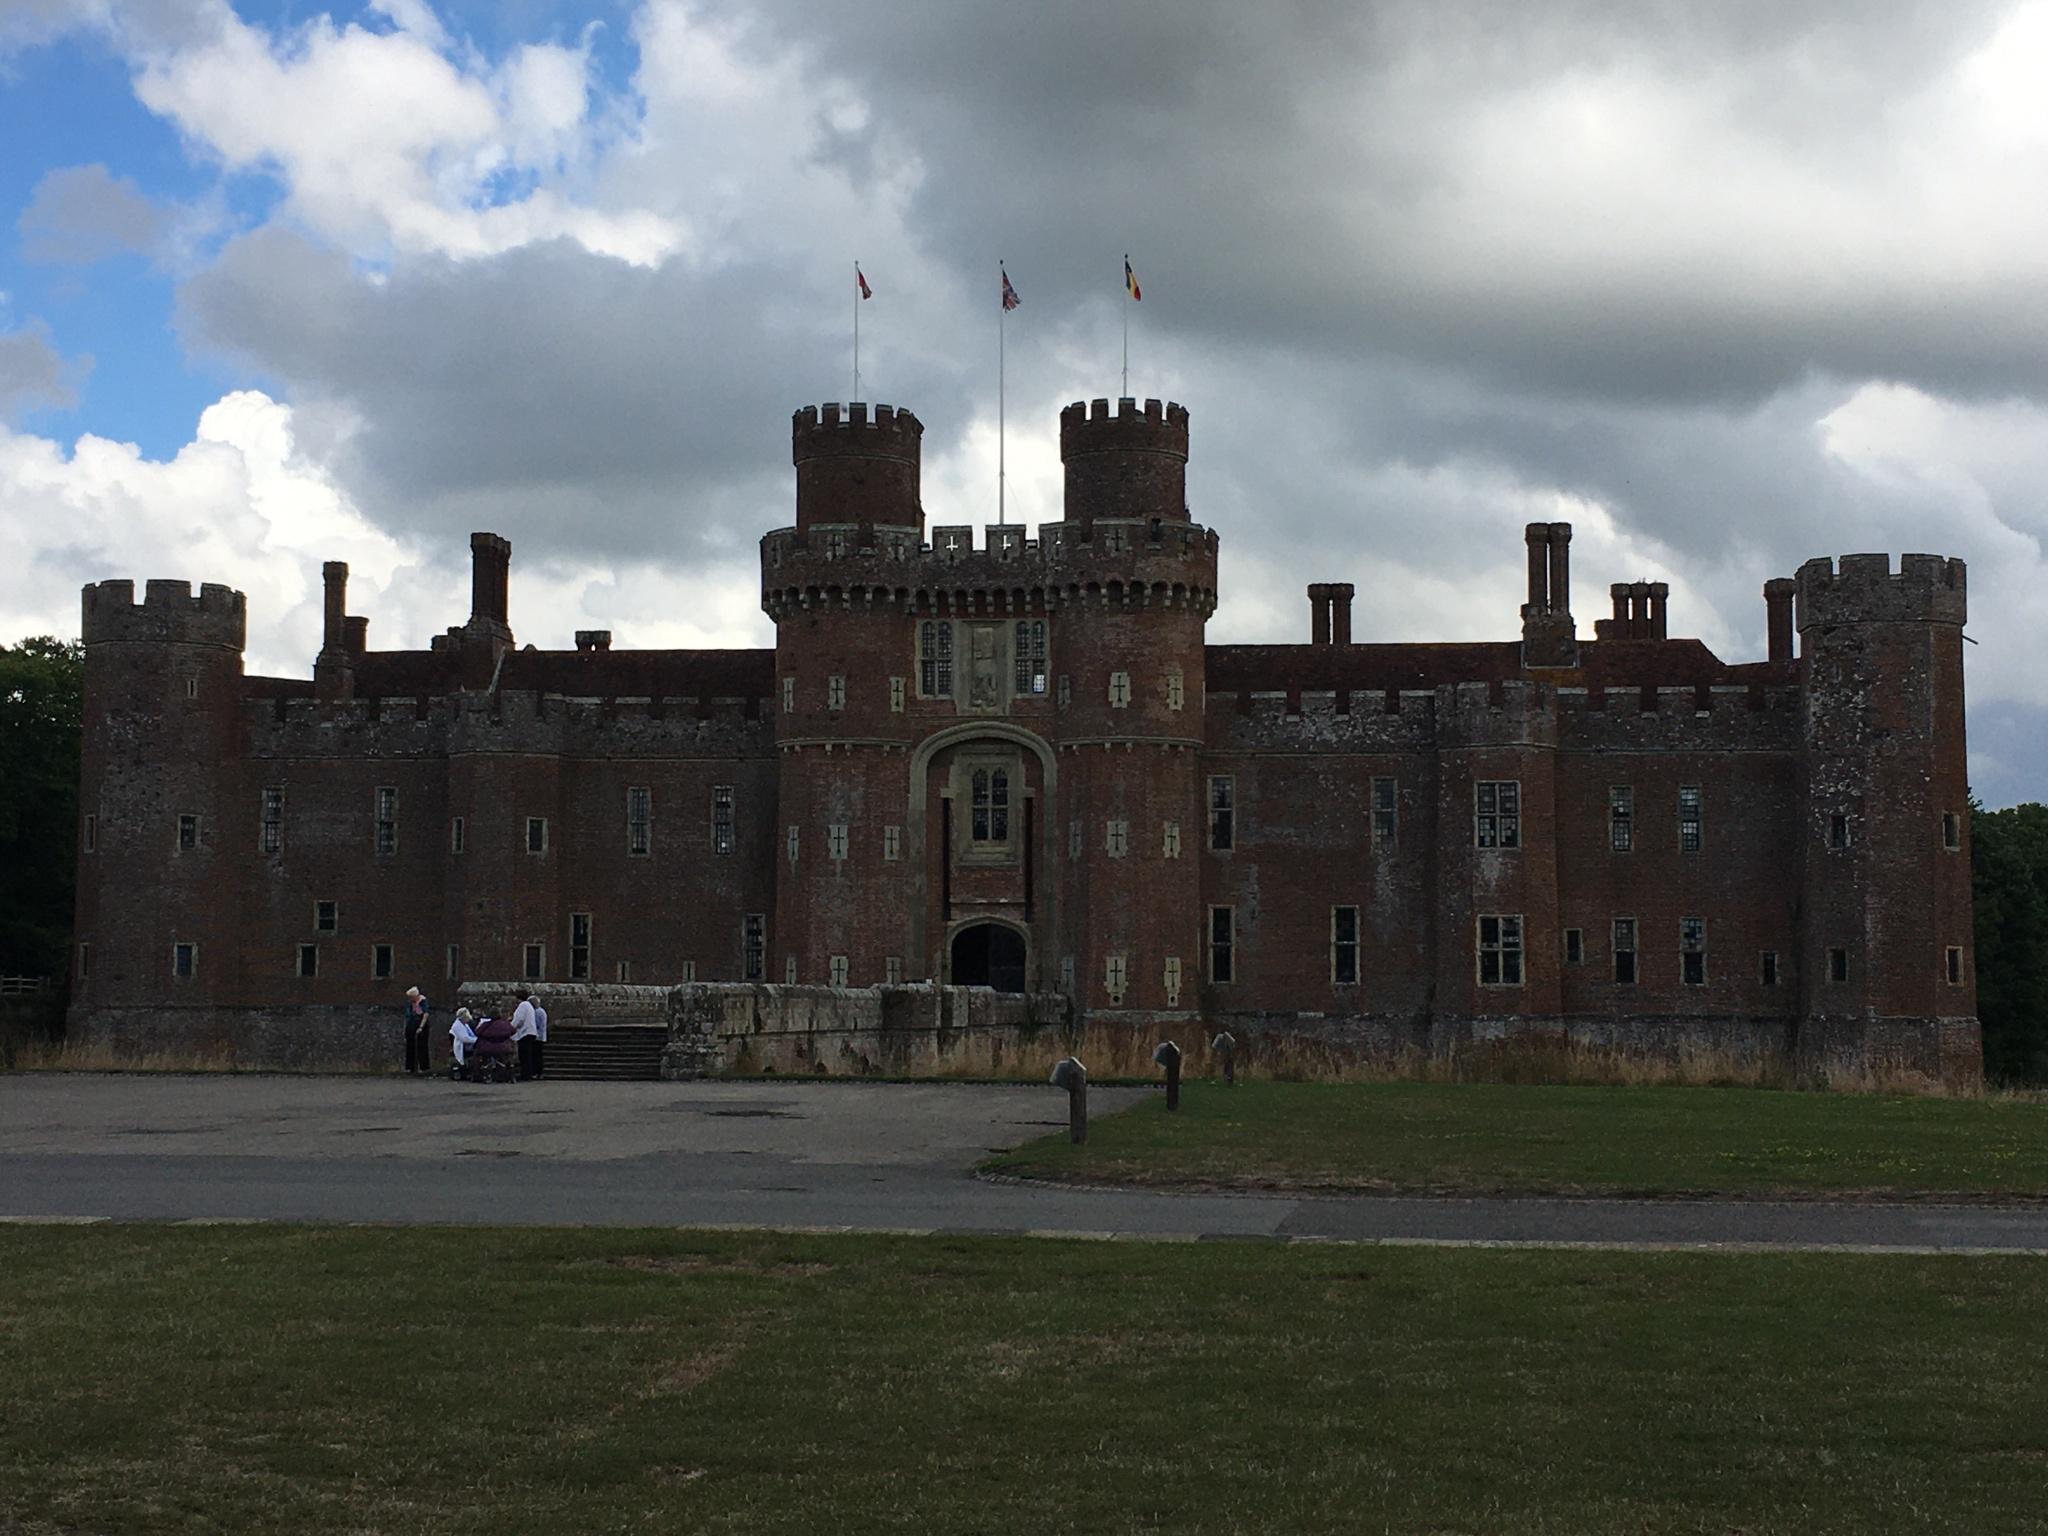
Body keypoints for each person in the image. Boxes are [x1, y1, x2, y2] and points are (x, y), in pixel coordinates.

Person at [509, 988, 539, 1081]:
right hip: (531, 1032)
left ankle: (525, 1075)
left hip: (525, 1033)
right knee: (528, 1055)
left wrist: (511, 1027)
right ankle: (528, 1074)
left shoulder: (522, 1005)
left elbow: (519, 1019)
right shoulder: (529, 1005)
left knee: (524, 1055)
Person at [402, 986, 432, 1074]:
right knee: (410, 1046)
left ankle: (422, 1067)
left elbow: (425, 1015)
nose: (410, 999)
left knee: (421, 1046)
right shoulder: (409, 1003)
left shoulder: (423, 1002)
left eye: (411, 997)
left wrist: (421, 1027)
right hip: (411, 1025)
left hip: (420, 1025)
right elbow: (407, 1016)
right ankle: (410, 1067)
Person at [448, 1007, 478, 1079]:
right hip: (462, 1046)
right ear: (463, 1017)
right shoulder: (457, 1026)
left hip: (467, 1044)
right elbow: (464, 1038)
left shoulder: (465, 1025)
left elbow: (471, 1035)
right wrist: (477, 1040)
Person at [531, 995, 548, 1079]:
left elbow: (535, 1024)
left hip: (537, 1036)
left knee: (536, 1056)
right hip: (541, 1036)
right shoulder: (542, 1011)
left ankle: (537, 1072)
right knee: (538, 1056)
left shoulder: (537, 1012)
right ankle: (539, 1072)